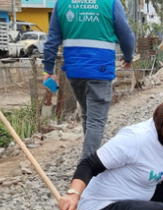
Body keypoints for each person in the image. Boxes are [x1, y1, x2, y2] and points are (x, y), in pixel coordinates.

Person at [43, 0, 135, 161]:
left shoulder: (63, 4)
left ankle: (89, 158)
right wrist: (128, 56)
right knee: (96, 120)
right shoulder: (111, 3)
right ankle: (87, 168)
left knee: (88, 114)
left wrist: (48, 70)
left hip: (75, 70)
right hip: (100, 69)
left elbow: (52, 40)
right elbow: (126, 34)